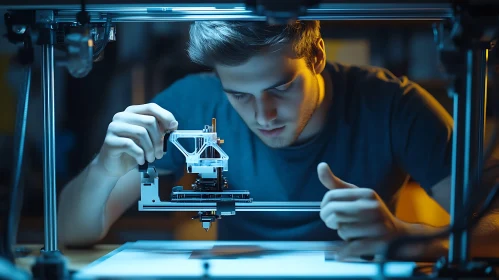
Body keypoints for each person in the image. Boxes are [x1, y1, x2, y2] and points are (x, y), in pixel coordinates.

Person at [57, 20, 499, 260]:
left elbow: (492, 227)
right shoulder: (189, 102)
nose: (263, 115)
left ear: (317, 56)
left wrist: (403, 236)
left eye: (281, 88)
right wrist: (103, 167)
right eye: (239, 96)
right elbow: (72, 234)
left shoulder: (394, 106)